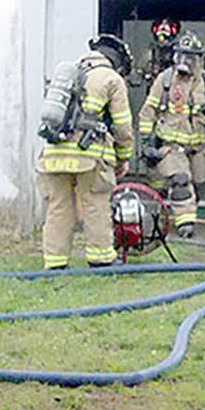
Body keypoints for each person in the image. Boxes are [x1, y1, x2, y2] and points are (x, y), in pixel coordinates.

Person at [36, 34, 135, 269]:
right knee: (95, 203)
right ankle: (101, 259)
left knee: (59, 206)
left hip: (53, 155)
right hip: (88, 156)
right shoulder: (110, 78)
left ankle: (55, 262)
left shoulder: (69, 74)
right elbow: (122, 126)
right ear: (116, 61)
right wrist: (124, 157)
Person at [138, 30, 205, 238]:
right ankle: (185, 224)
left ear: (199, 58)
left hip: (199, 149)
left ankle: (184, 213)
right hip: (172, 146)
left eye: (191, 56)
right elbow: (148, 110)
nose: (186, 61)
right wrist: (146, 141)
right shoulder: (166, 80)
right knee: (180, 181)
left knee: (197, 185)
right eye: (182, 55)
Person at [136, 18, 179, 87]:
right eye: (161, 37)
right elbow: (136, 78)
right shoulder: (149, 55)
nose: (163, 41)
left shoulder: (179, 57)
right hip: (154, 90)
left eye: (166, 37)